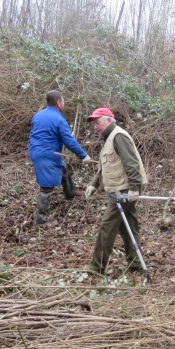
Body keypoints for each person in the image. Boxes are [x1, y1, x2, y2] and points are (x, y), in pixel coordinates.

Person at [84, 108, 148, 274]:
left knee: (107, 226)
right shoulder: (109, 138)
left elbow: (131, 163)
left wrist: (134, 188)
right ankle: (135, 263)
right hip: (120, 188)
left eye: (98, 122)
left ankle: (96, 268)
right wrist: (94, 184)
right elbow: (105, 166)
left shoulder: (118, 136)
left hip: (124, 190)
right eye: (94, 124)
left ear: (109, 120)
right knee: (128, 226)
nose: (95, 127)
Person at [28, 90, 90, 225]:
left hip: (40, 152)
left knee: (62, 168)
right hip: (47, 154)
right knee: (46, 186)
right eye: (63, 100)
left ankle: (71, 192)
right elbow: (69, 140)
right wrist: (83, 155)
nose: (64, 103)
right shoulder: (58, 119)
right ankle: (40, 220)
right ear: (58, 102)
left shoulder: (38, 115)